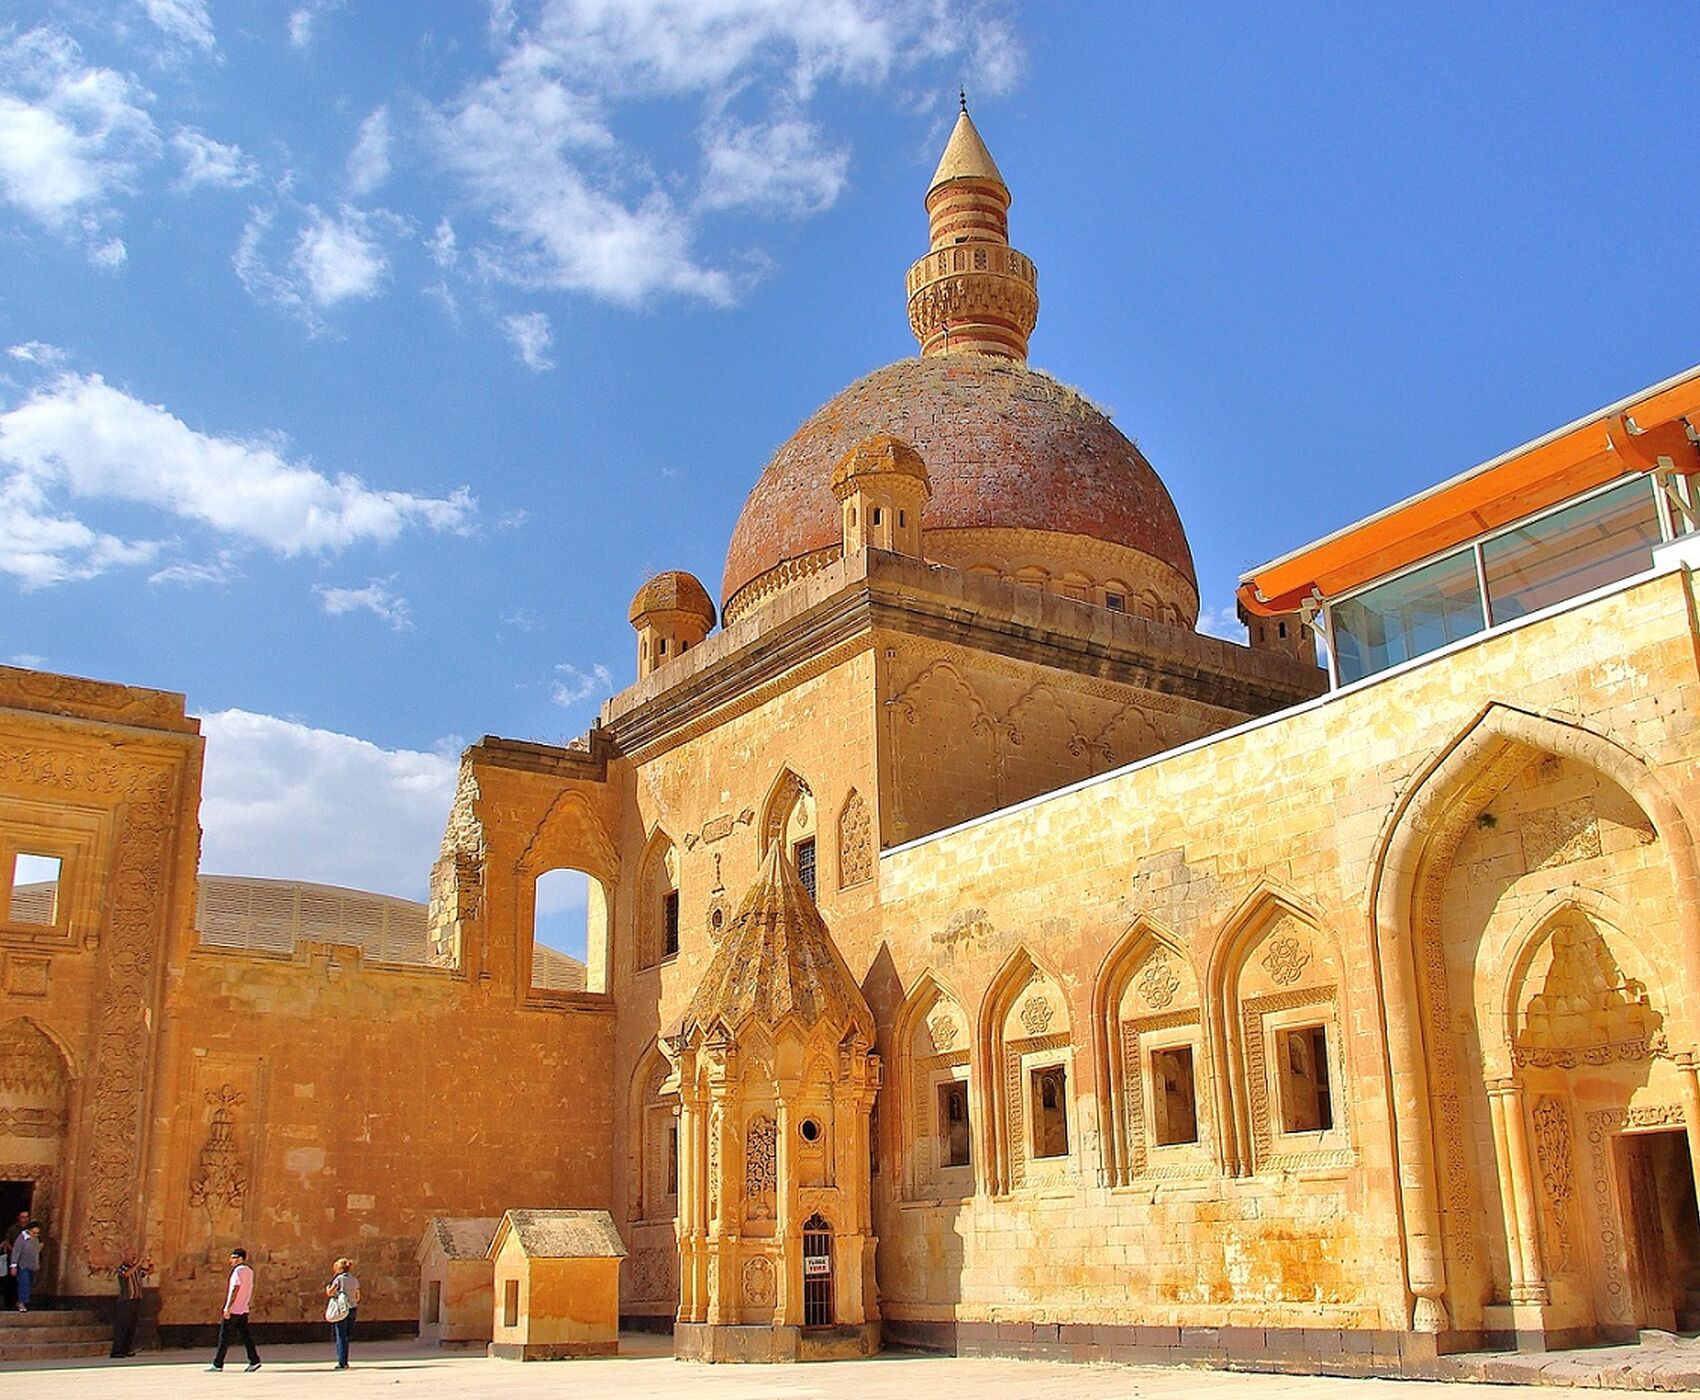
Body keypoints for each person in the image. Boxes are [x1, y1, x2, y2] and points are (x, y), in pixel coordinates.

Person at [208, 1247, 261, 1372]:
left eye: (234, 1258)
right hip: (243, 1309)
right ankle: (254, 1360)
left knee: (224, 1336)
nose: (231, 1260)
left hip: (234, 1310)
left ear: (240, 1259)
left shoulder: (237, 1271)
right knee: (246, 1336)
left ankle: (218, 1363)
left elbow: (235, 1289)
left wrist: (228, 1307)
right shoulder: (249, 1271)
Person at [111, 1250, 152, 1357]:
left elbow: (146, 1273)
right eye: (131, 1255)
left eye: (134, 1255)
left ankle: (126, 1349)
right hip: (126, 1300)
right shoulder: (122, 1267)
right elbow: (126, 1274)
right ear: (125, 1256)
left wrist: (149, 1263)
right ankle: (117, 1351)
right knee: (123, 1326)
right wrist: (138, 1264)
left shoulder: (136, 1269)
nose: (133, 1257)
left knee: (131, 1326)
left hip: (135, 1299)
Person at [323, 1258, 361, 1370]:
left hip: (342, 1309)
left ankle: (342, 1362)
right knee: (346, 1336)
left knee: (340, 1336)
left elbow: (330, 1292)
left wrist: (328, 1289)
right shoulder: (354, 1280)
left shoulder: (338, 1279)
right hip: (353, 1308)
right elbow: (358, 1296)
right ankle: (345, 1360)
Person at [11, 1224, 41, 1311]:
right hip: (23, 1265)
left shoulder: (35, 1239)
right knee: (24, 1282)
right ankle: (21, 1302)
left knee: (31, 1282)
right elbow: (16, 1252)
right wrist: (14, 1265)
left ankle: (22, 1301)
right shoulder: (22, 1238)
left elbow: (36, 1252)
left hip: (32, 1265)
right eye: (34, 1232)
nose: (35, 1235)